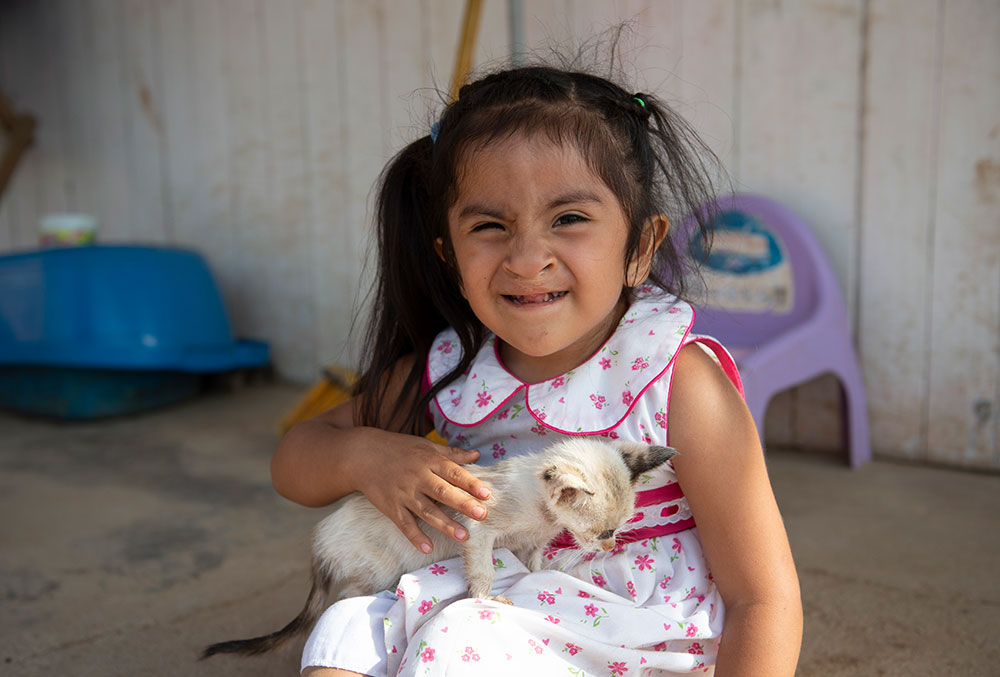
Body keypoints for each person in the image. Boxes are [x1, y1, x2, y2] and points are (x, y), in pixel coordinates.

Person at [272, 62, 802, 676]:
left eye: (568, 219)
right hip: (491, 594)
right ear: (449, 255)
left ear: (640, 248)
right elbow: (296, 459)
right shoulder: (452, 369)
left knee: (456, 639)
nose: (527, 259)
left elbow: (762, 597)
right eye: (490, 227)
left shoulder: (676, 381)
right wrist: (363, 457)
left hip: (627, 638)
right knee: (345, 634)